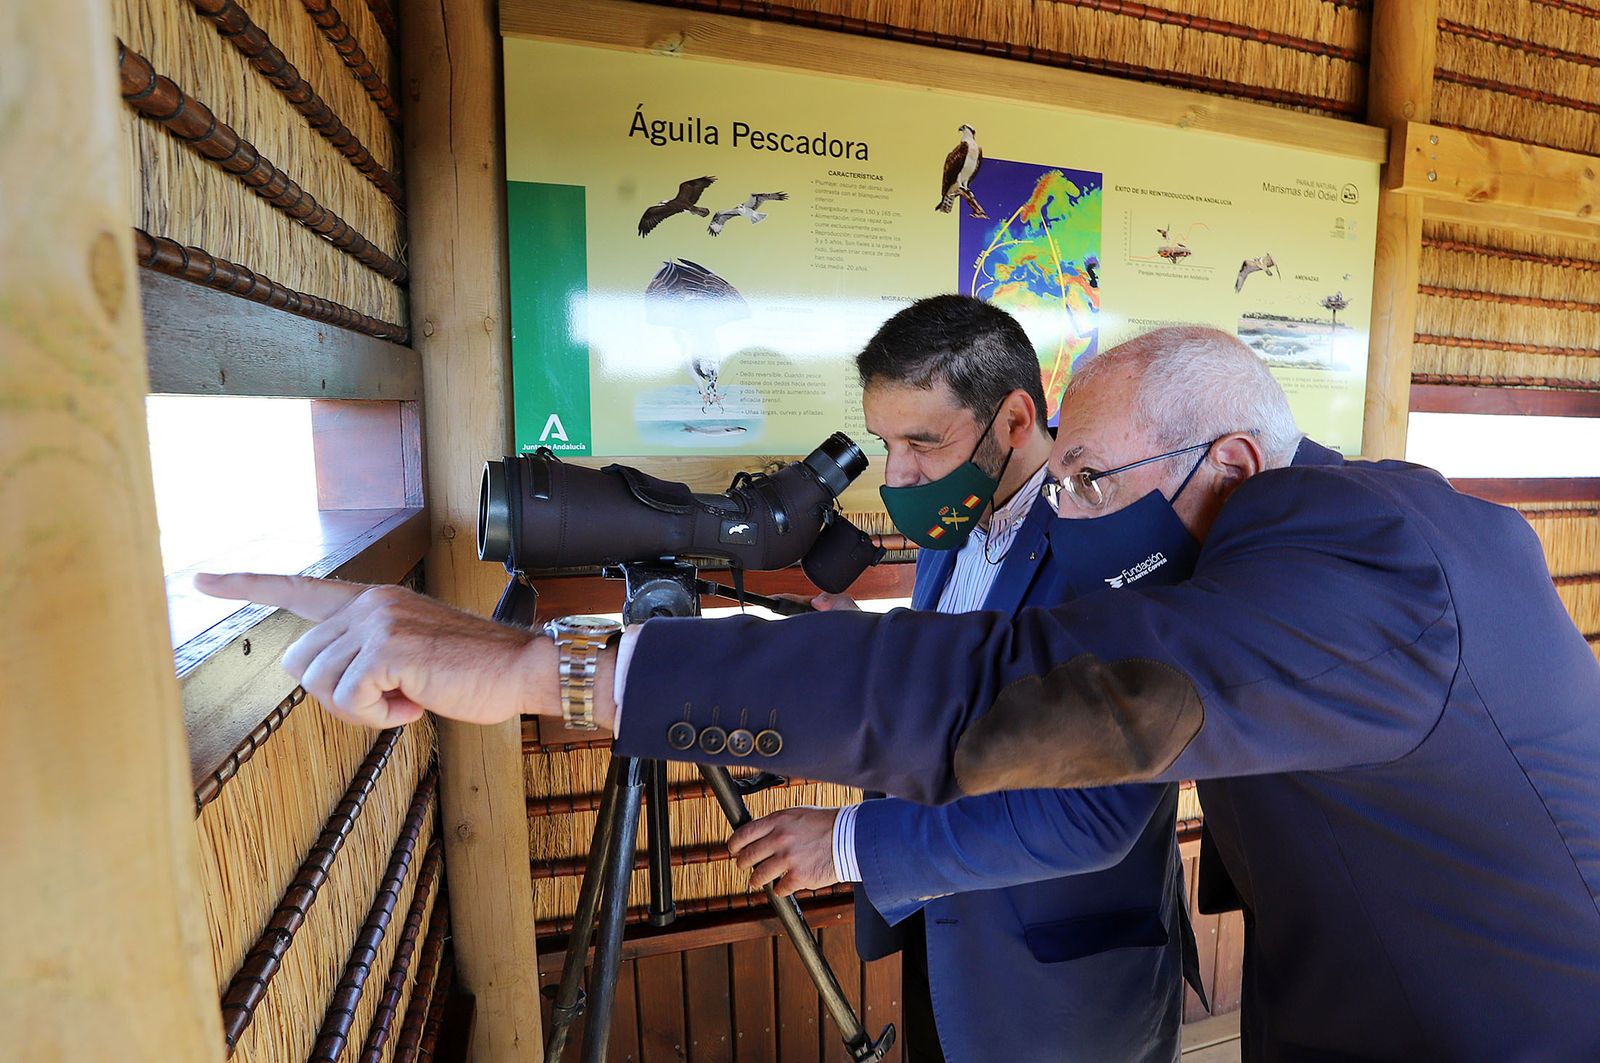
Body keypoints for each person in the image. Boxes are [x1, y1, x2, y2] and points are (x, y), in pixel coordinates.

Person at [200, 325, 1600, 1060]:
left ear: (1230, 462)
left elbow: (1023, 697)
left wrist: (528, 668)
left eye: (1094, 484)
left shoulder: (1373, 561)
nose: (1074, 515)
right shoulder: (1333, 533)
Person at [726, 295, 1199, 1062]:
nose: (899, 473)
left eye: (923, 440)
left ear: (1015, 421)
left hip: (1061, 980)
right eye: (886, 442)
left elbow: (1093, 813)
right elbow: (960, 704)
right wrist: (869, 650)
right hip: (942, 937)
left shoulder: (1110, 546)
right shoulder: (951, 533)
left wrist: (847, 843)